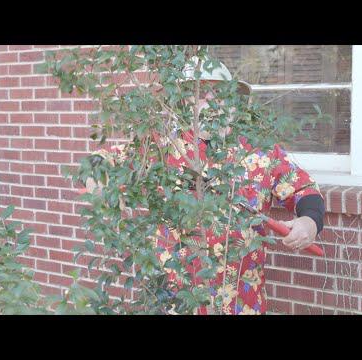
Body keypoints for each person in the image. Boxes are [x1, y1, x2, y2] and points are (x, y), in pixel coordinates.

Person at [83, 57, 325, 315]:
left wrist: (309, 222)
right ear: (182, 102)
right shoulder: (161, 148)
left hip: (242, 305)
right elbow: (106, 161)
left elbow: (305, 190)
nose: (209, 102)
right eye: (198, 94)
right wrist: (96, 174)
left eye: (219, 94)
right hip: (175, 304)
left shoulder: (260, 151)